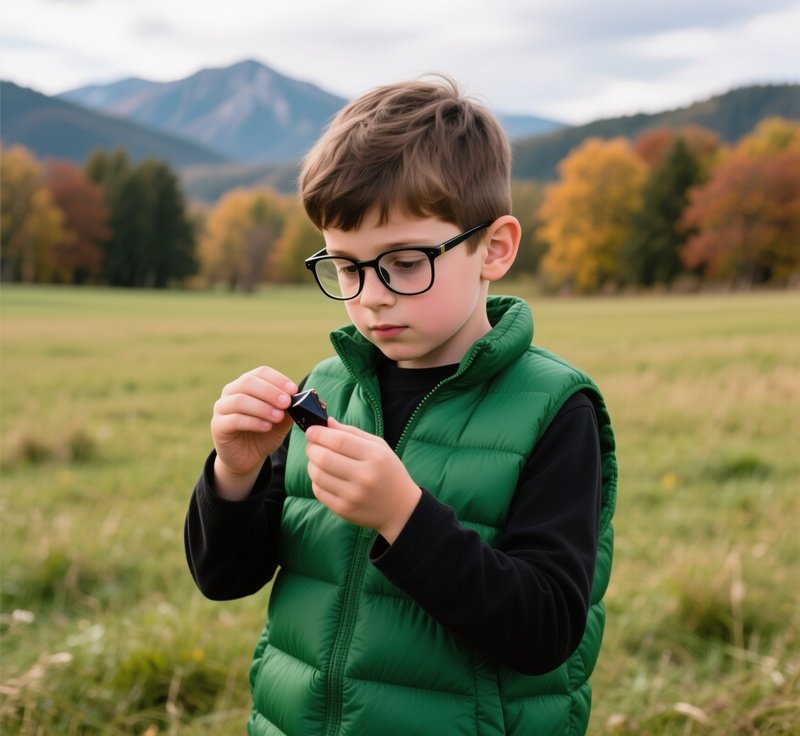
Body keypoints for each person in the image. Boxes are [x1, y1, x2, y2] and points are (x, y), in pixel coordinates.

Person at [185, 76, 617, 736]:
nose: (371, 296)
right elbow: (224, 577)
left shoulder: (555, 410)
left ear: (493, 248)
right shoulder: (329, 391)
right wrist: (234, 474)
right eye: (345, 266)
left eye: (405, 262)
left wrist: (404, 518)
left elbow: (546, 630)